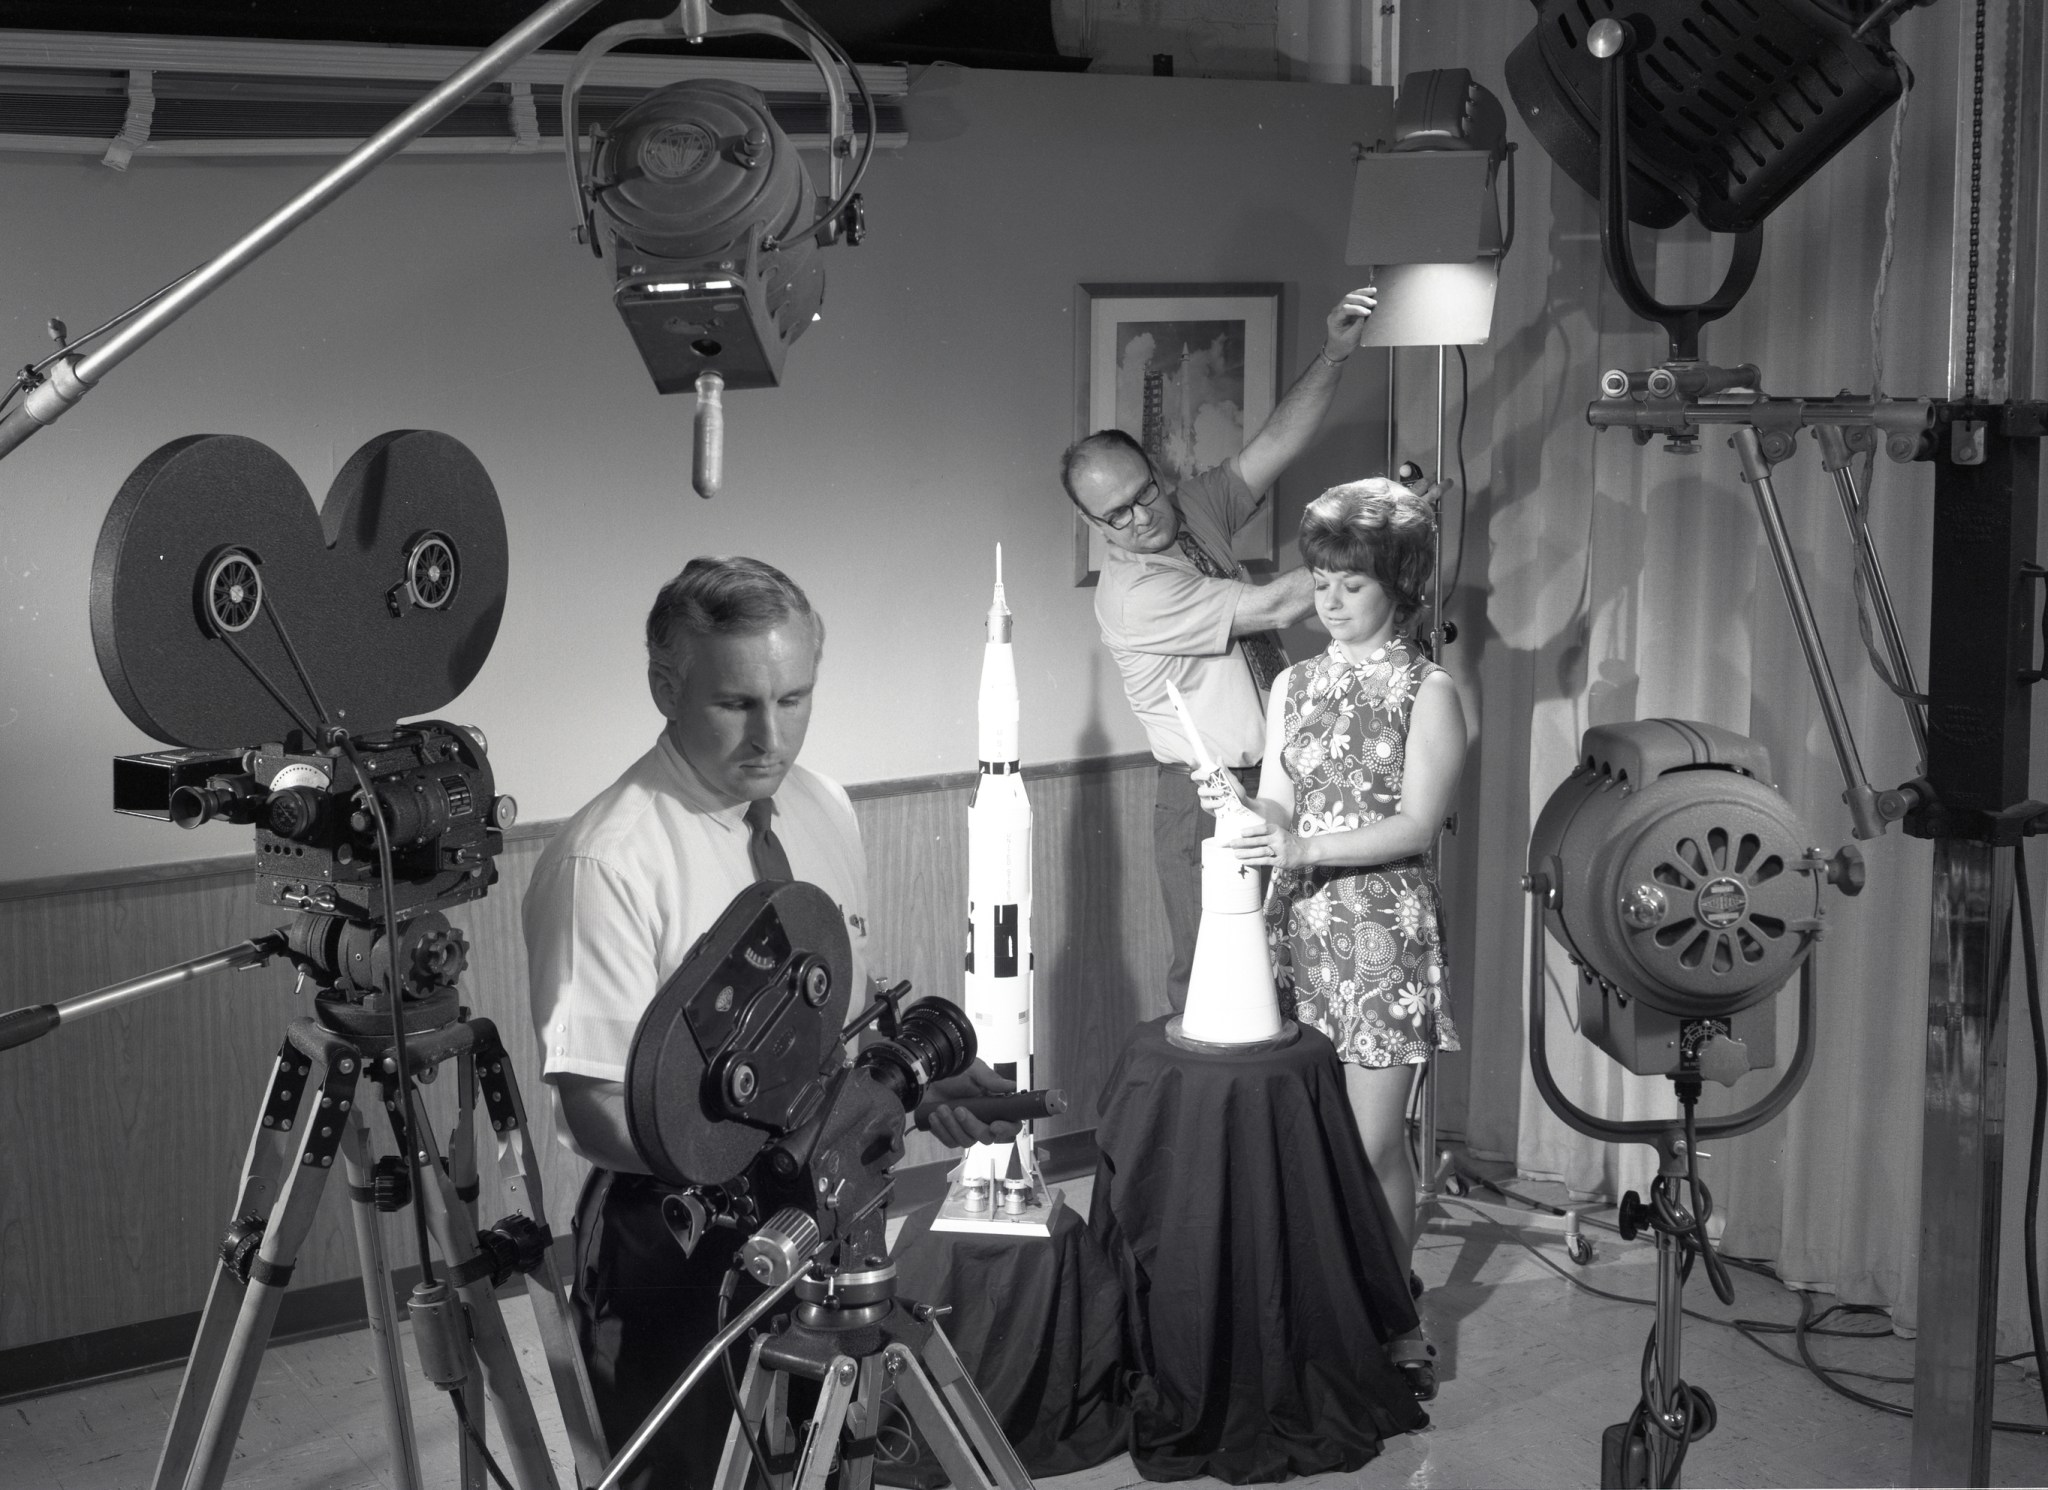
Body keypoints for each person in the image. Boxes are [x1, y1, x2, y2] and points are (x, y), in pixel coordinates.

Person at [524, 556, 1018, 1488]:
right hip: (673, 1237)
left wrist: (900, 1088)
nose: (770, 736)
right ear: (665, 687)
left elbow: (829, 1030)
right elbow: (598, 1113)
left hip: (826, 1216)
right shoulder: (608, 859)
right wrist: (785, 1139)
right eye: (737, 704)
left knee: (838, 1461)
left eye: (795, 699)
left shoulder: (824, 806)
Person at [1204, 479, 1465, 1400]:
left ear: (1397, 583)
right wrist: (1246, 816)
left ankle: (1393, 1314)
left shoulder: (1426, 689)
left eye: (1350, 582)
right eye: (1320, 580)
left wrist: (1302, 844)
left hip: (1380, 933)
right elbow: (1278, 792)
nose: (1330, 599)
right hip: (1299, 927)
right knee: (1309, 1141)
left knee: (1371, 1144)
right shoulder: (1295, 684)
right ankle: (1329, 1300)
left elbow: (1418, 825)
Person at [1060, 287, 1380, 1012]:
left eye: (1145, 494)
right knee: (1218, 984)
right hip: (1214, 797)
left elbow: (1275, 445)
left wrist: (1334, 352)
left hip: (1280, 776)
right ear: (1093, 523)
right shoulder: (1133, 594)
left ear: (1158, 473)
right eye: (1116, 516)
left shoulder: (1192, 510)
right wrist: (1374, 538)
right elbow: (1270, 603)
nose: (1141, 519)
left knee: (1295, 973)